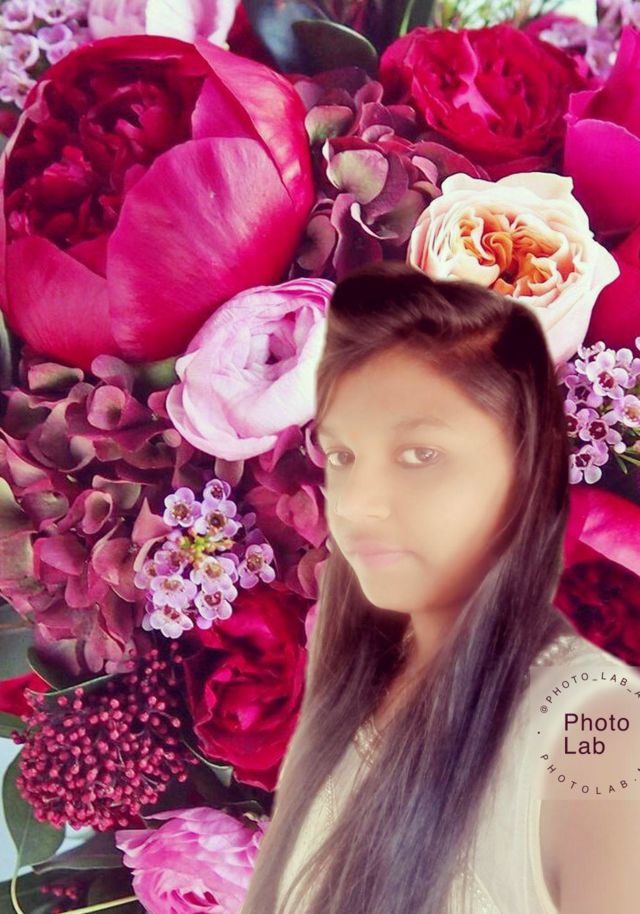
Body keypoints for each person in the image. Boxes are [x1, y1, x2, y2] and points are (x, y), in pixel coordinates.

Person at [238, 262, 639, 914]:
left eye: (419, 455)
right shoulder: (358, 686)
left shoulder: (593, 730)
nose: (360, 504)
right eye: (343, 456)